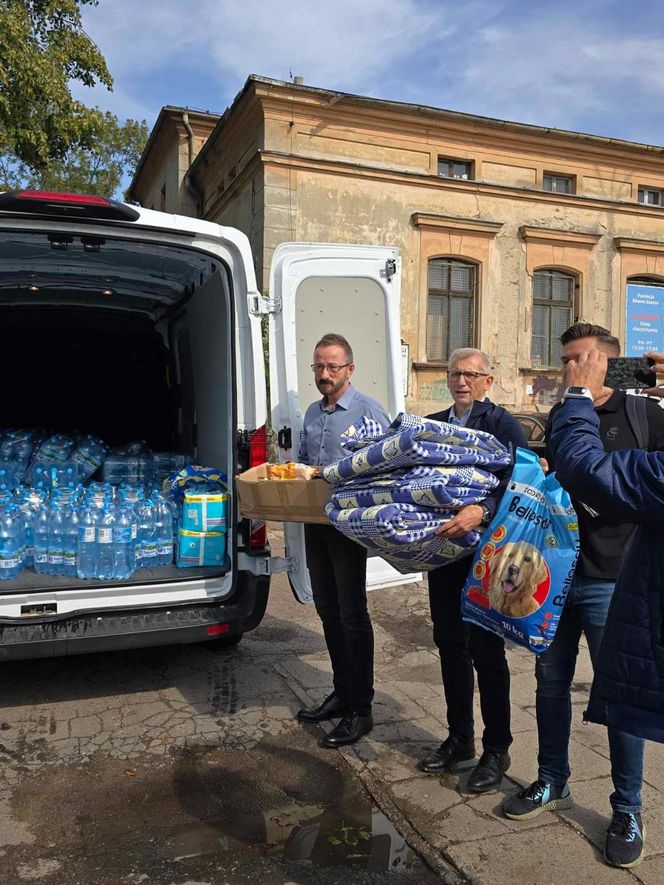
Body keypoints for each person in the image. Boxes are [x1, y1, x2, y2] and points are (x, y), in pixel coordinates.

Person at [502, 323, 664, 870]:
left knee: (620, 698)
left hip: (613, 579)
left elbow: (621, 486)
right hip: (553, 575)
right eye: (565, 360)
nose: (571, 371)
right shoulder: (561, 416)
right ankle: (552, 780)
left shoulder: (646, 415)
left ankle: (628, 808)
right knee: (549, 683)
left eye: (582, 361)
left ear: (608, 365)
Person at [418, 348, 526, 792]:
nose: (462, 381)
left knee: (486, 652)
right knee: (448, 645)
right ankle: (459, 737)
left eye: (471, 374)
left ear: (488, 381)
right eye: (455, 374)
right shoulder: (436, 422)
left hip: (487, 557)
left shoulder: (501, 424)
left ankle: (496, 748)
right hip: (444, 553)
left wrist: (482, 509)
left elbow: (519, 482)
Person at [296, 333, 390, 748]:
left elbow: (387, 464)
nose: (325, 374)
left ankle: (360, 710)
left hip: (349, 525)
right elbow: (304, 465)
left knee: (352, 614)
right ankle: (341, 693)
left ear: (350, 369)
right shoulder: (312, 414)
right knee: (327, 610)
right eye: (319, 366)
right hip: (314, 522)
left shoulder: (368, 411)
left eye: (333, 366)